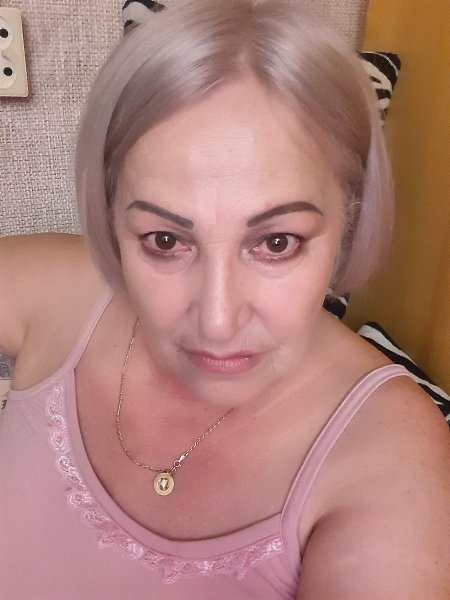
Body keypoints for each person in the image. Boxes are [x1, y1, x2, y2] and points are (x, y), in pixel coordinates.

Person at [0, 1, 448, 598]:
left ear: (349, 217)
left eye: (277, 242)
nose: (216, 321)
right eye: (165, 241)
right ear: (110, 216)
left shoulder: (389, 452)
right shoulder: (66, 291)